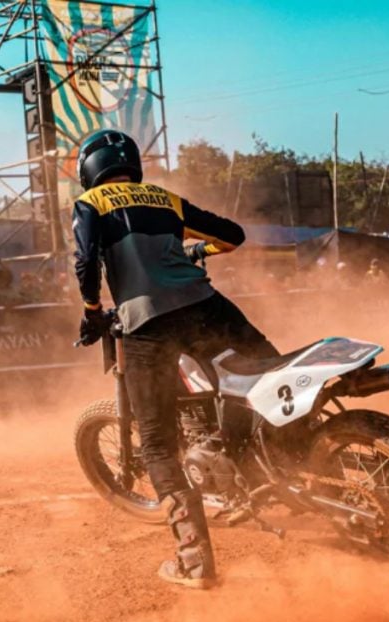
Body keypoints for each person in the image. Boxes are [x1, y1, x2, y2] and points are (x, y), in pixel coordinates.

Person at [72, 129, 279, 590]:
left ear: (89, 168)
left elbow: (86, 262)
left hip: (146, 322)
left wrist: (90, 311)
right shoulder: (163, 199)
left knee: (159, 446)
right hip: (206, 306)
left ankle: (194, 563)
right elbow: (232, 236)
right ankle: (286, 454)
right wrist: (194, 251)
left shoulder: (92, 204)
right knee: (265, 369)